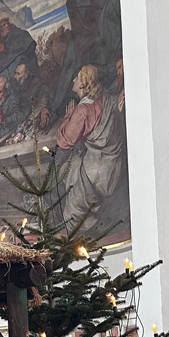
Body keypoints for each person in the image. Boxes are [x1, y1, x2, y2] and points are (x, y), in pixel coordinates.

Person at [56, 64, 128, 233]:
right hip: (114, 164)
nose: (73, 80)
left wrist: (68, 116)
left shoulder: (83, 110)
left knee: (69, 175)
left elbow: (64, 141)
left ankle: (84, 231)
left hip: (95, 169)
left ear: (82, 84)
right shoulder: (108, 98)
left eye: (77, 77)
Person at [11, 61, 52, 130]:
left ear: (26, 74)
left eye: (18, 73)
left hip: (35, 116)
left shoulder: (37, 83)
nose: (15, 77)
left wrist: (43, 108)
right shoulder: (14, 86)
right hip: (21, 120)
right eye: (15, 73)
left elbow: (44, 96)